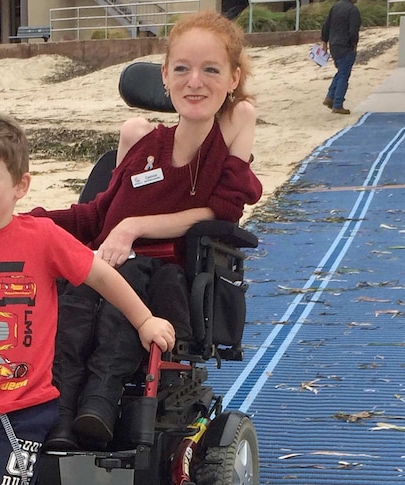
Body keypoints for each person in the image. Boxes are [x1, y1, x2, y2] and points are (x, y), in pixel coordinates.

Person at [29, 11, 263, 450]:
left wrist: (134, 227)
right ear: (164, 77)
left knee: (127, 279)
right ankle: (61, 416)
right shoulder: (141, 141)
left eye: (211, 70)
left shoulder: (225, 138)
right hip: (104, 265)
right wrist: (26, 221)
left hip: (162, 275)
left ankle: (98, 402)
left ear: (232, 78)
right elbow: (96, 216)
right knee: (76, 288)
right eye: (182, 69)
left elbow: (224, 214)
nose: (195, 81)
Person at [0, 105, 176, 485]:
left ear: (20, 186)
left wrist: (144, 320)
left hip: (20, 411)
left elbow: (101, 275)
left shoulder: (41, 237)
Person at [320, 0, 362, 115]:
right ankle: (337, 104)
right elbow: (353, 31)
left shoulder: (335, 6)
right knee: (344, 74)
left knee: (341, 72)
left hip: (334, 45)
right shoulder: (353, 10)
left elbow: (326, 25)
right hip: (346, 46)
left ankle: (330, 96)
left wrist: (324, 42)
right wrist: (354, 44)